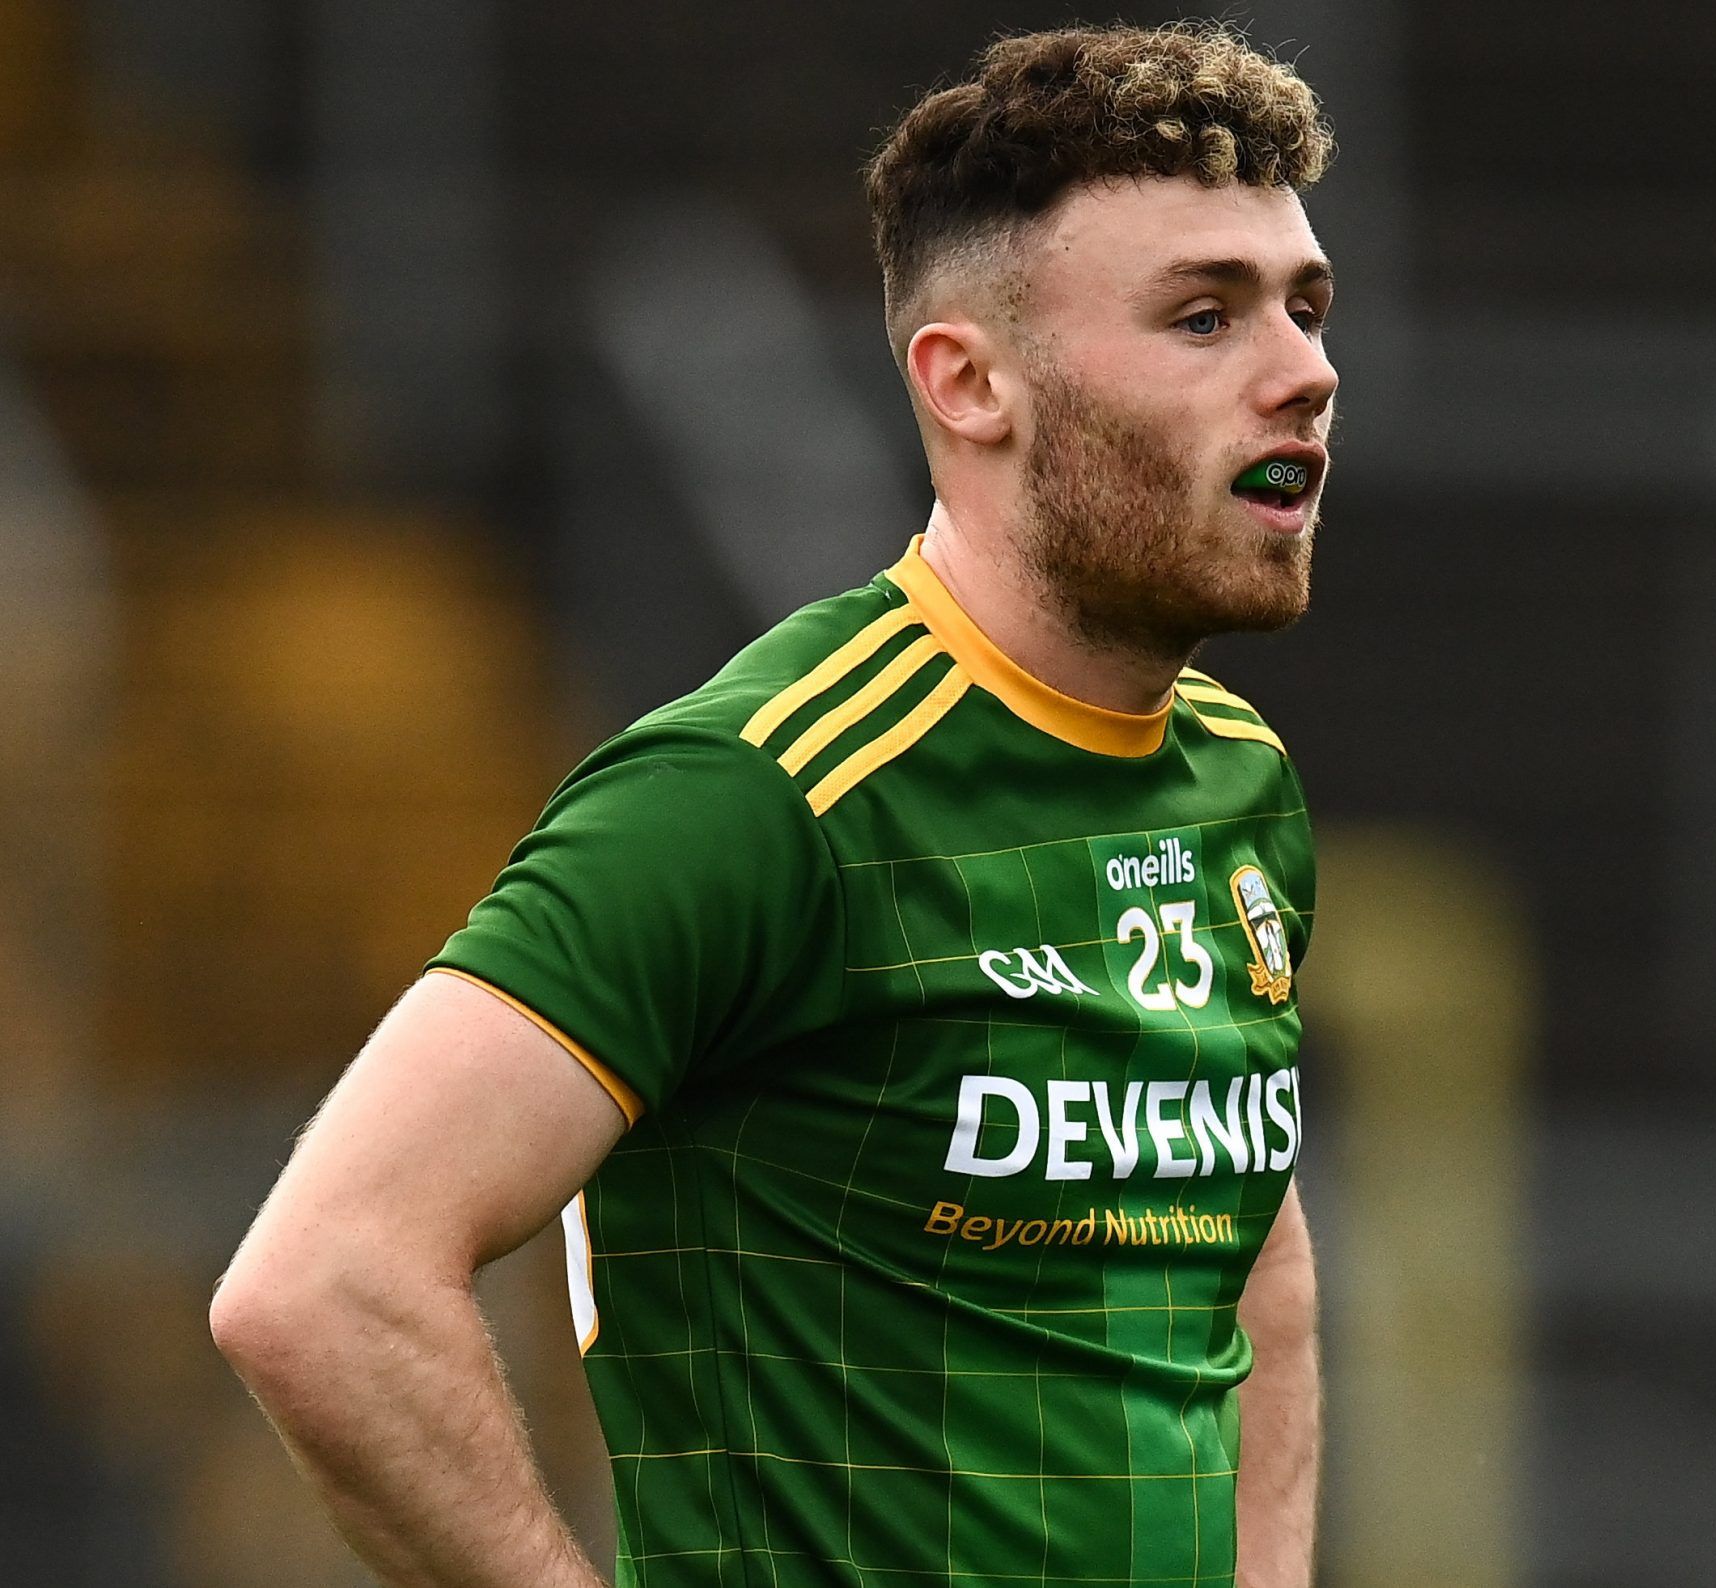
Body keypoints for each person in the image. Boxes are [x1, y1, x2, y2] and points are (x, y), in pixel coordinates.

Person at [210, 21, 1338, 1588]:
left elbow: (1251, 1256)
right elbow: (323, 1283)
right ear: (971, 385)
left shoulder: (1236, 779)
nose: (1305, 373)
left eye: (1304, 307)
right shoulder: (759, 793)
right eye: (1204, 317)